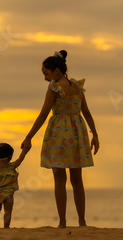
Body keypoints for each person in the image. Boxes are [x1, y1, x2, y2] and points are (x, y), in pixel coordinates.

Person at [21, 50, 99, 228]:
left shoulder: (55, 88)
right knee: (77, 179)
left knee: (59, 179)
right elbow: (86, 112)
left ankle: (63, 222)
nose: (45, 78)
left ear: (56, 71)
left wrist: (28, 137)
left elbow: (43, 115)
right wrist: (95, 134)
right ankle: (82, 221)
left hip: (59, 134)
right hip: (77, 133)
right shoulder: (77, 86)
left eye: (46, 74)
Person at [0, 143, 28, 229]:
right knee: (8, 211)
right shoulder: (12, 166)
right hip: (8, 193)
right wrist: (25, 150)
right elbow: (21, 158)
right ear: (11, 157)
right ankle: (6, 226)